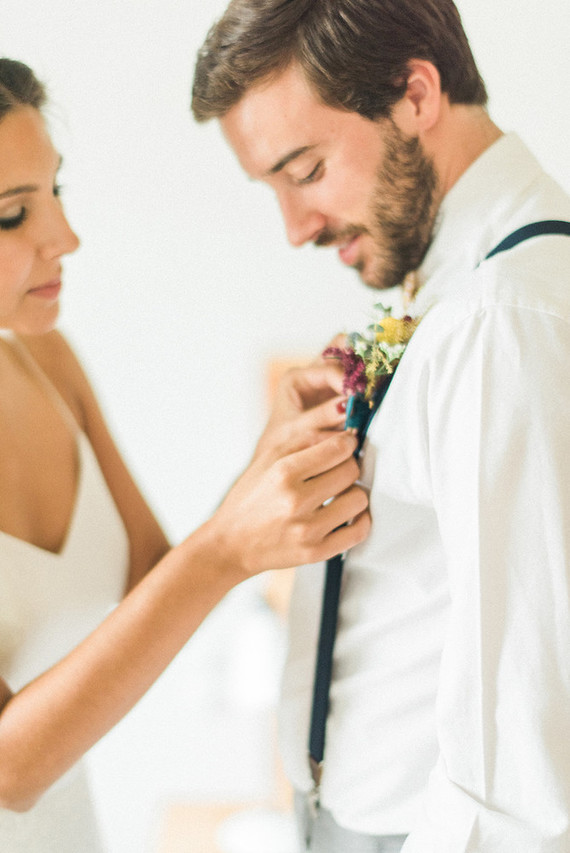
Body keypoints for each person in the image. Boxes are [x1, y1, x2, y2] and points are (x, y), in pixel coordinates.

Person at [192, 1, 570, 851]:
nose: (296, 229)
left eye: (306, 169)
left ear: (415, 93)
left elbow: (521, 761)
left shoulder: (498, 320)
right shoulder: (472, 291)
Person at [0, 57, 373, 853]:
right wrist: (227, 547)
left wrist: (266, 453)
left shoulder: (48, 364)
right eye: (11, 215)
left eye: (54, 192)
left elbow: (154, 580)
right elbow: (11, 768)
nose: (65, 237)